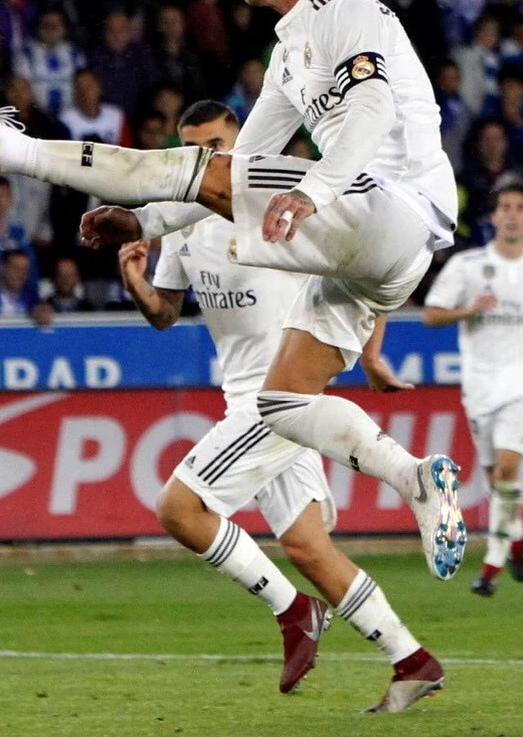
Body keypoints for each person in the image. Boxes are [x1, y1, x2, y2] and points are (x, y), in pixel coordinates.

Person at [0, 0, 466, 582]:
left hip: (398, 206)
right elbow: (234, 176)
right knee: (281, 403)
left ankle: (3, 149)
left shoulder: (351, 9)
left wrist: (310, 194)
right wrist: (145, 221)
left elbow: (369, 111)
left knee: (206, 172)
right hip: (379, 251)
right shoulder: (287, 54)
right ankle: (417, 480)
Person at [120, 100, 443, 712]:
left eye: (217, 144)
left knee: (178, 509)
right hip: (242, 398)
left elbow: (363, 269)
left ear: (245, 137)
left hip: (275, 403)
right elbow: (165, 313)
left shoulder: (288, 197)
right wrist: (137, 280)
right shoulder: (182, 220)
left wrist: (371, 355)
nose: (208, 159)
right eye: (196, 150)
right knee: (308, 550)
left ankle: (294, 611)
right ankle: (414, 662)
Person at [423, 178, 523, 596]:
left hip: (519, 386)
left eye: (520, 208)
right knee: (496, 479)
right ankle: (515, 544)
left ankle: (491, 568)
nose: (513, 215)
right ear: (493, 217)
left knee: (506, 470)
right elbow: (431, 314)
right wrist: (469, 310)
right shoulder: (467, 266)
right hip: (480, 388)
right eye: (506, 208)